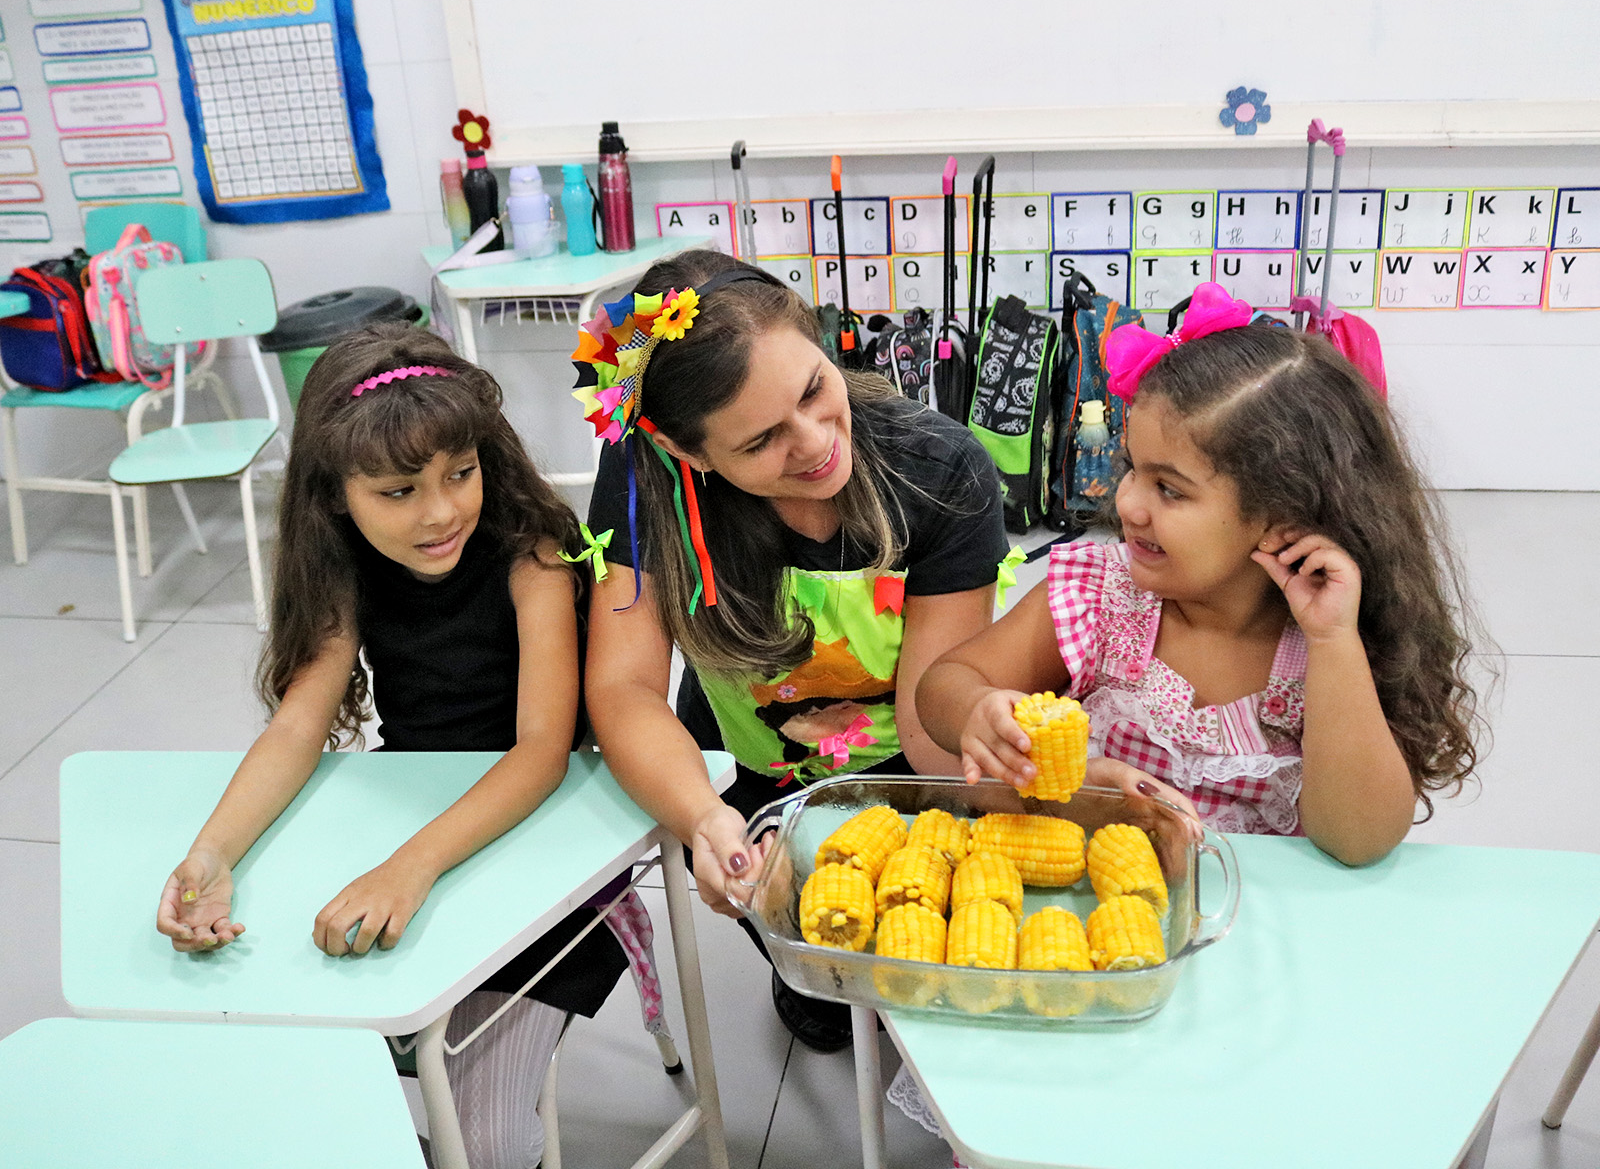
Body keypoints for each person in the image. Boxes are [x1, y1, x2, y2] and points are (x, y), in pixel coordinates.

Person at [578, 250, 1197, 1052]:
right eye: (762, 441)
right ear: (690, 454)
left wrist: (1049, 786)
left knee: (918, 1013)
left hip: (911, 783)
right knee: (828, 1015)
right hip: (751, 777)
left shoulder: (937, 469)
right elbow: (624, 688)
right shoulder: (643, 478)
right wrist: (705, 818)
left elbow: (928, 729)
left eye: (813, 390)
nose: (813, 444)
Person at [154, 324, 626, 1169]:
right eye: (399, 491)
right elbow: (298, 726)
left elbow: (540, 753)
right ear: (337, 496)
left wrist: (408, 869)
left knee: (487, 1147)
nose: (440, 511)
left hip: (551, 853)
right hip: (410, 831)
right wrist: (213, 853)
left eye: (460, 473)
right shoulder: (346, 565)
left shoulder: (533, 554)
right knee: (268, 1092)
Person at [920, 281, 1483, 862]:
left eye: (1169, 489)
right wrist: (978, 711)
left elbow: (1358, 840)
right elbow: (945, 683)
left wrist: (1333, 639)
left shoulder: (1329, 646)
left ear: (1283, 516)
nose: (1127, 503)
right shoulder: (1098, 594)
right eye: (1132, 468)